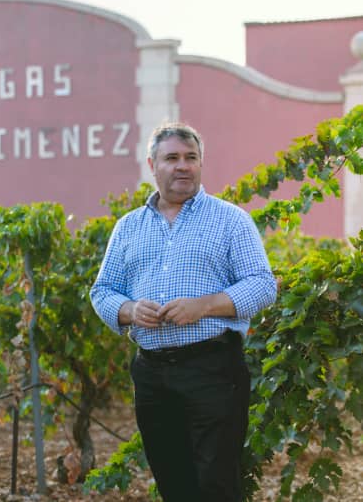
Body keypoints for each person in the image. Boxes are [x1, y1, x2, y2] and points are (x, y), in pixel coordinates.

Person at [90, 122, 276, 502]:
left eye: (191, 157)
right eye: (172, 157)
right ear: (152, 165)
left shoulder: (231, 220)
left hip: (213, 369)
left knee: (216, 483)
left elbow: (262, 285)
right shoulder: (128, 227)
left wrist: (204, 306)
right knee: (173, 482)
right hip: (152, 375)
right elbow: (102, 290)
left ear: (200, 164)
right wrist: (128, 309)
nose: (183, 166)